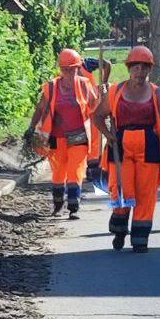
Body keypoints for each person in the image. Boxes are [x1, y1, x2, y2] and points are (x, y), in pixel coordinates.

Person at [94, 45, 160, 253]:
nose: (140, 72)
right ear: (129, 68)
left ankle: (140, 240)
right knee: (121, 190)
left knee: (146, 194)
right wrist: (108, 135)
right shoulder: (116, 91)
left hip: (149, 146)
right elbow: (98, 116)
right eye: (136, 67)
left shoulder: (157, 93)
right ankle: (119, 231)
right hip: (120, 146)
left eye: (144, 67)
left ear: (149, 69)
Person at [26, 48, 101, 219]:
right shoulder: (51, 87)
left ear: (78, 67)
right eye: (66, 69)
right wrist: (32, 127)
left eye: (73, 68)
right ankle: (58, 204)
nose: (69, 72)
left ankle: (74, 205)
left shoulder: (84, 84)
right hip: (55, 137)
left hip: (79, 136)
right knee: (59, 172)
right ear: (61, 69)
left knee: (76, 170)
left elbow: (95, 106)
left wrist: (102, 97)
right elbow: (40, 107)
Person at [80, 55, 111, 185]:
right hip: (77, 110)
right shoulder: (63, 72)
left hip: (92, 107)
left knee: (94, 141)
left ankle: (93, 171)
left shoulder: (86, 63)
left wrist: (104, 82)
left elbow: (107, 63)